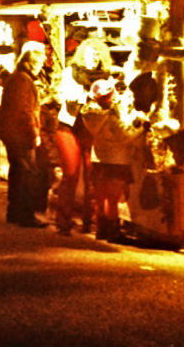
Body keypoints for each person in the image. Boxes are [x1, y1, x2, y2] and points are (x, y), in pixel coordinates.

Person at [79, 78, 144, 243]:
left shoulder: (90, 115)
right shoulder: (110, 117)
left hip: (99, 158)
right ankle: (113, 230)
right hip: (117, 159)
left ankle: (101, 229)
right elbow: (125, 136)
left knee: (101, 197)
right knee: (113, 199)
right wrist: (141, 128)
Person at [0, 41, 48, 228]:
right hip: (19, 134)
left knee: (18, 172)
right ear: (30, 63)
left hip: (12, 132)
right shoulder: (23, 81)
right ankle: (26, 214)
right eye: (39, 63)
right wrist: (34, 133)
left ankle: (15, 212)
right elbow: (24, 111)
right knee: (26, 173)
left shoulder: (18, 78)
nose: (40, 67)